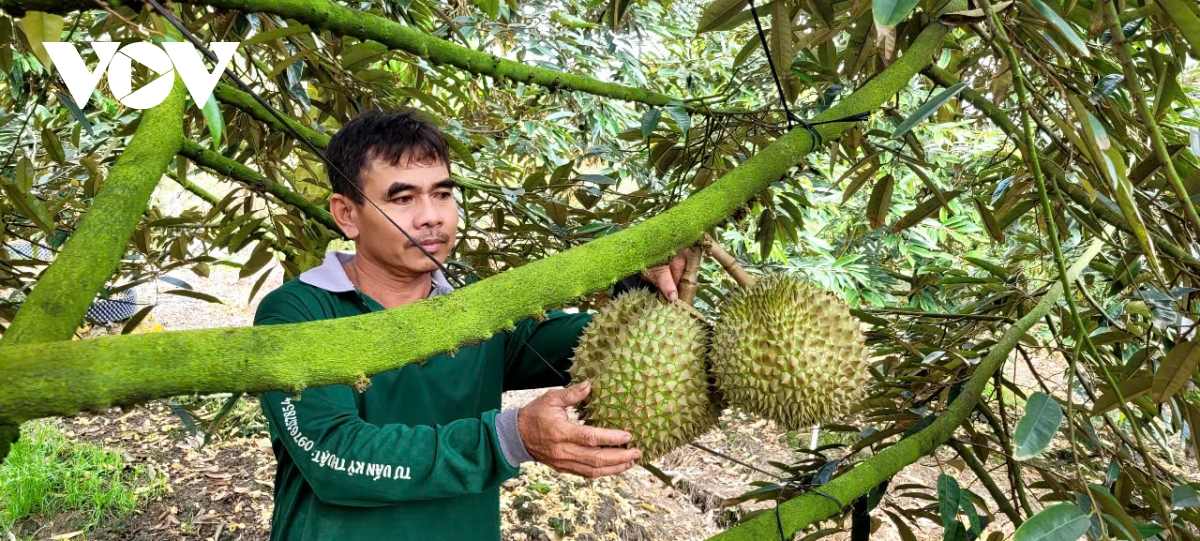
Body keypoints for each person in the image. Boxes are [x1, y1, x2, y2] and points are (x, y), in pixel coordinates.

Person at [253, 109, 695, 541]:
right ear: (347, 214)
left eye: (443, 194)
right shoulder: (297, 313)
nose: (432, 216)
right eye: (403, 199)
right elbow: (335, 458)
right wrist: (508, 438)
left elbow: (601, 345)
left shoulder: (478, 314)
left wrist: (641, 281)